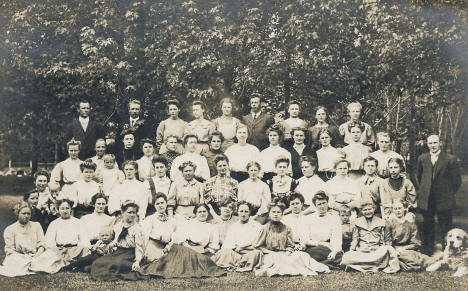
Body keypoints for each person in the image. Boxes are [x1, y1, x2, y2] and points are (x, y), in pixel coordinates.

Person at [139, 202, 225, 278]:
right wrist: (189, 247)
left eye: (204, 211)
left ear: (208, 213)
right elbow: (179, 237)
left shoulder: (212, 227)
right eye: (199, 212)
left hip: (201, 251)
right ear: (195, 213)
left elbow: (213, 246)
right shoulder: (188, 223)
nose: (202, 214)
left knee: (203, 262)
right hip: (185, 247)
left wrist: (202, 250)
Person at [253, 199, 330, 277]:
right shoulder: (265, 228)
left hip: (284, 253)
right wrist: (271, 252)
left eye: (278, 212)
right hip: (269, 254)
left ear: (282, 215)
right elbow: (259, 246)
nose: (276, 214)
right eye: (273, 212)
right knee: (277, 258)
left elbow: (290, 245)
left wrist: (287, 253)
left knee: (302, 255)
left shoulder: (287, 229)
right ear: (269, 214)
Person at [416, 134, 461, 254]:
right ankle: (428, 251)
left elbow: (456, 181)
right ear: (427, 144)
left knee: (445, 225)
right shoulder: (422, 158)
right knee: (428, 225)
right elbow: (419, 177)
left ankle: (448, 251)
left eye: (435, 143)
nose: (432, 145)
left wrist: (447, 193)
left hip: (444, 198)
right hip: (428, 199)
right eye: (430, 143)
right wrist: (425, 191)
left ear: (440, 143)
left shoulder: (450, 159)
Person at [29, 199, 91, 274]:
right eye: (62, 208)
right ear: (58, 210)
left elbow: (84, 239)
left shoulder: (79, 222)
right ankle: (69, 265)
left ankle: (72, 264)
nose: (65, 211)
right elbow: (49, 241)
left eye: (67, 208)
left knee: (86, 251)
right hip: (59, 250)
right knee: (46, 257)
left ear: (71, 209)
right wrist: (58, 252)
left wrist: (79, 250)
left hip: (75, 250)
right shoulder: (54, 223)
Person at [90, 200, 145, 281]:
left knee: (115, 264)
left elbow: (139, 247)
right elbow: (116, 240)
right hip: (118, 252)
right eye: (129, 212)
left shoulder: (137, 229)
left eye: (134, 212)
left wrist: (137, 261)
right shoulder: (118, 226)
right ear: (123, 212)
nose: (132, 215)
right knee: (98, 262)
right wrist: (111, 245)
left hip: (130, 254)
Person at [340, 200, 399, 273]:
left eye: (369, 209)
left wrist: (385, 250)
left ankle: (359, 267)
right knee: (346, 257)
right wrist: (352, 250)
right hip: (362, 252)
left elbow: (387, 241)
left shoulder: (382, 222)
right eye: (365, 210)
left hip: (376, 253)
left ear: (374, 209)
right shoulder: (357, 222)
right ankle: (374, 266)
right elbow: (355, 239)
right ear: (361, 211)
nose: (367, 212)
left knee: (390, 249)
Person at [212, 201, 263, 272]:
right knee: (225, 252)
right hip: (237, 254)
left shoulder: (257, 226)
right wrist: (236, 249)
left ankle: (240, 264)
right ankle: (241, 263)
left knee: (257, 253)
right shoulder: (233, 227)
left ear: (250, 213)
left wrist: (242, 247)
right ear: (237, 212)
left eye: (246, 211)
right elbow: (228, 245)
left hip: (250, 252)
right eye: (241, 211)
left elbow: (258, 243)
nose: (243, 214)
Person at [0, 202, 45, 277]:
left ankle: (32, 265)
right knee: (14, 261)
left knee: (50, 255)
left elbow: (42, 245)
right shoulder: (10, 229)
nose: (26, 216)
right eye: (23, 213)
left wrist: (36, 255)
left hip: (35, 256)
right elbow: (9, 250)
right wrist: (24, 257)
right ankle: (32, 266)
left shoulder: (36, 225)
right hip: (19, 257)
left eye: (28, 214)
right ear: (17, 213)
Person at [385, 200, 430, 271]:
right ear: (393, 210)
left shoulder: (410, 222)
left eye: (400, 208)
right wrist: (394, 251)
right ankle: (400, 263)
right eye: (395, 209)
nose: (398, 211)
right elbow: (388, 242)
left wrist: (405, 248)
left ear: (404, 209)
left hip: (409, 249)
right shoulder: (390, 223)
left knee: (428, 260)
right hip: (397, 251)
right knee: (415, 263)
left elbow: (416, 242)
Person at [303, 191, 343, 268]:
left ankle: (315, 263)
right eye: (319, 204)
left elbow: (337, 239)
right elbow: (306, 239)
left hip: (329, 248)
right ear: (315, 206)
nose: (322, 206)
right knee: (309, 253)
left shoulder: (334, 219)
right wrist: (320, 243)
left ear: (327, 203)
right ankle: (326, 263)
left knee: (338, 256)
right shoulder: (308, 218)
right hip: (313, 247)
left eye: (324, 203)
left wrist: (334, 252)